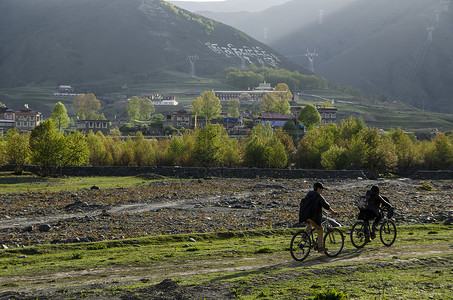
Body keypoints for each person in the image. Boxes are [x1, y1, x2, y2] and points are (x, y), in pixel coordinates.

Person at [299, 182, 338, 252]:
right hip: (312, 215)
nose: (322, 191)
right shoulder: (318, 196)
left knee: (310, 223)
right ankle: (320, 247)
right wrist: (333, 212)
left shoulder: (309, 194)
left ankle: (304, 237)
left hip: (304, 214)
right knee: (320, 229)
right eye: (321, 189)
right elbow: (326, 205)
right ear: (318, 189)